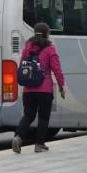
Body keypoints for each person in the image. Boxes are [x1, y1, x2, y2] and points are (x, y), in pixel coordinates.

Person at [12, 23, 66, 154]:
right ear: (47, 33)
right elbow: (56, 69)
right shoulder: (50, 48)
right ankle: (39, 144)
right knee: (43, 117)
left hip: (29, 89)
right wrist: (61, 85)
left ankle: (18, 136)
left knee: (29, 115)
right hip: (45, 89)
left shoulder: (27, 47)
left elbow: (22, 66)